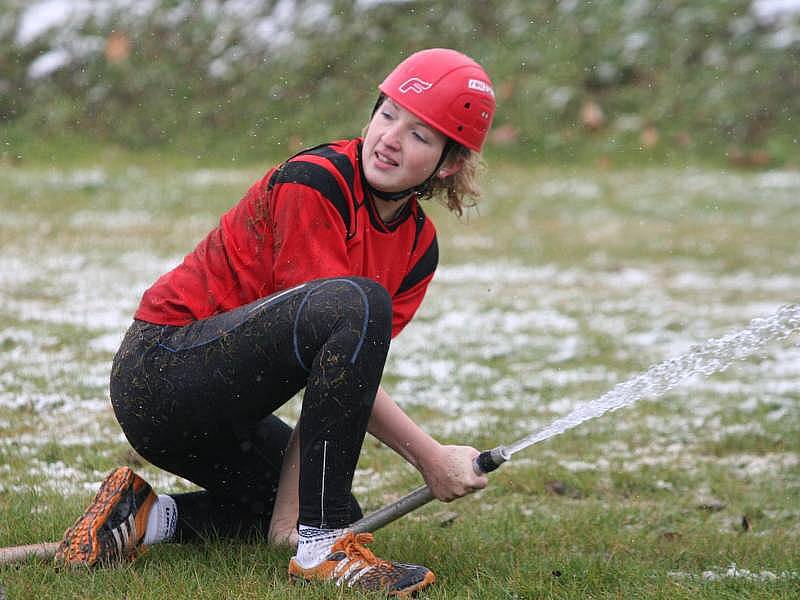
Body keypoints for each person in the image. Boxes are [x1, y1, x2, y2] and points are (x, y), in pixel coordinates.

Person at [55, 47, 496, 596]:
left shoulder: (418, 249)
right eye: (387, 115)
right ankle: (325, 546)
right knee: (356, 302)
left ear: (448, 164)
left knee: (321, 503)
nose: (390, 138)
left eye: (420, 136)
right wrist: (429, 457)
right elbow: (339, 322)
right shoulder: (317, 182)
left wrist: (291, 524)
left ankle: (144, 515)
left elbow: (340, 380)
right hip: (160, 376)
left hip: (226, 419)